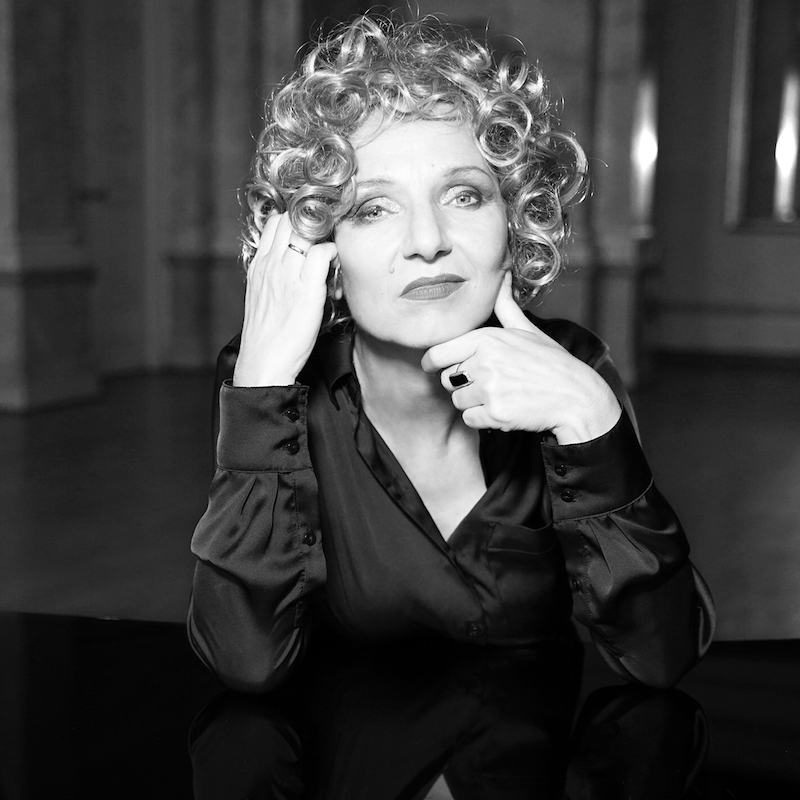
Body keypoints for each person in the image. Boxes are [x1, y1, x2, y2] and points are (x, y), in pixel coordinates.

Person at [188, 14, 715, 693]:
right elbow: (245, 662)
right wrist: (261, 384)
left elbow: (661, 657)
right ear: (321, 250)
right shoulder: (268, 383)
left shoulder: (573, 370)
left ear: (515, 221)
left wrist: (592, 422)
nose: (428, 240)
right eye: (373, 209)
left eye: (465, 196)